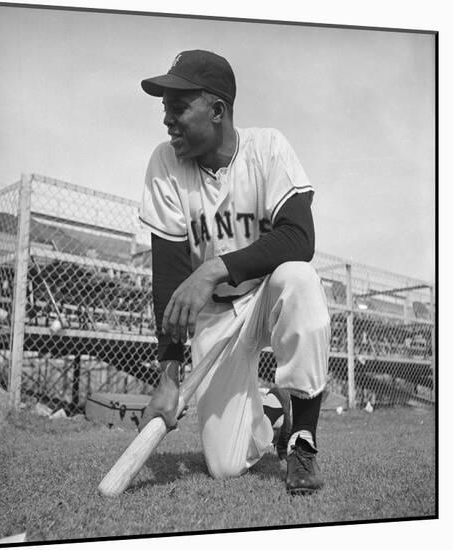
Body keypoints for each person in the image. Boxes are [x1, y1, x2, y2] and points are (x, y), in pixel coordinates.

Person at [138, 50, 331, 494]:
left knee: (299, 279)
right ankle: (272, 412)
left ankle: (302, 439)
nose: (167, 119)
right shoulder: (165, 163)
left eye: (178, 106)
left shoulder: (268, 148)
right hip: (218, 316)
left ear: (218, 110)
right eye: (164, 106)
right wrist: (168, 374)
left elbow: (300, 237)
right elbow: (167, 274)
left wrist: (212, 269)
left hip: (267, 296)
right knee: (225, 466)